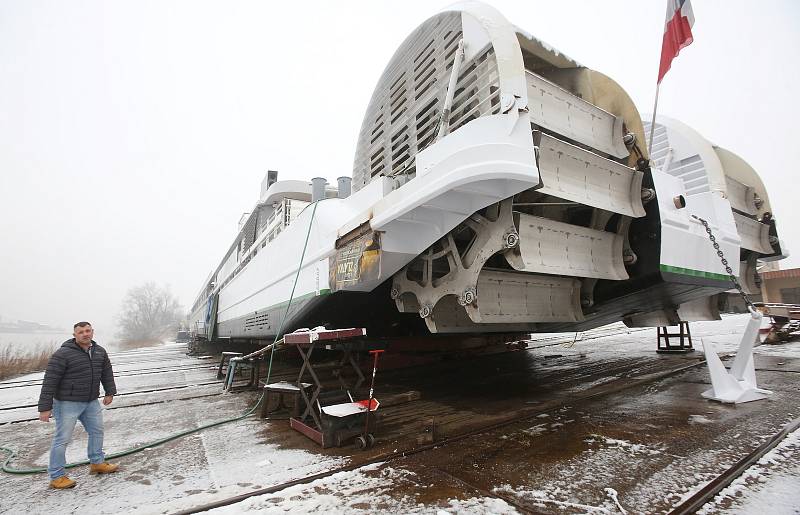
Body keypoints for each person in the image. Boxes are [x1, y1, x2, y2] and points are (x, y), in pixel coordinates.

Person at [37, 321, 119, 489]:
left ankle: (97, 463)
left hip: (90, 402)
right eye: (81, 332)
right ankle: (57, 476)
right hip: (67, 403)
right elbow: (50, 381)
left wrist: (109, 392)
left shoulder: (99, 351)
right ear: (74, 335)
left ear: (92, 332)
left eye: (87, 331)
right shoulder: (63, 354)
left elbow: (106, 372)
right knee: (63, 439)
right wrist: (45, 407)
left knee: (97, 431)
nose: (85, 334)